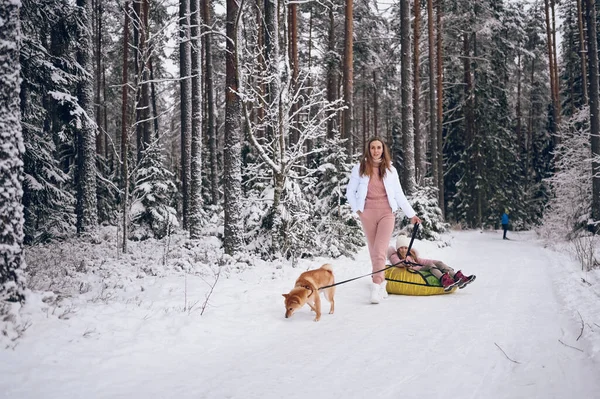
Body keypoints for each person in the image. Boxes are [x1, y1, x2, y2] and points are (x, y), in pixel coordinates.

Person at [346, 137, 421, 304]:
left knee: (379, 250)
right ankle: (383, 283)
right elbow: (350, 191)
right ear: (369, 150)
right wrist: (357, 209)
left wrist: (411, 215)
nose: (376, 150)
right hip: (367, 214)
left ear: (383, 149)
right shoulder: (359, 168)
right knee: (374, 251)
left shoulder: (390, 170)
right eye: (372, 147)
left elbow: (399, 194)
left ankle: (375, 286)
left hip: (387, 213)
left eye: (379, 147)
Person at [387, 235, 476, 291]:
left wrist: (436, 262)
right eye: (401, 248)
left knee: (439, 263)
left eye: (405, 248)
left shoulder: (411, 255)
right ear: (398, 249)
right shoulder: (395, 256)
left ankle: (459, 277)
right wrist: (404, 263)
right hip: (416, 270)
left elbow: (422, 261)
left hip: (419, 266)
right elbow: (396, 262)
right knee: (430, 266)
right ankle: (445, 281)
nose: (403, 250)